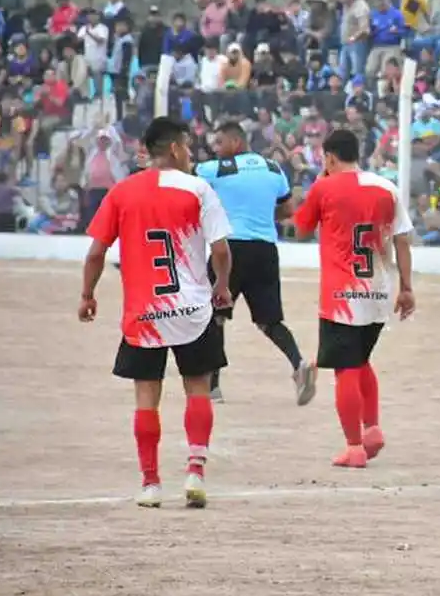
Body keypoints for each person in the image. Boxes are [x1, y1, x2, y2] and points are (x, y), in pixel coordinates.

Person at [78, 117, 233, 509]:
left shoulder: (122, 192)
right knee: (197, 386)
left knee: (147, 397)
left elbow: (96, 253)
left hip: (144, 313)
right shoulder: (198, 189)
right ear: (177, 148)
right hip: (192, 309)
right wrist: (222, 285)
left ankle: (150, 483)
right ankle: (195, 470)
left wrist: (87, 294)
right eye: (188, 146)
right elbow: (220, 250)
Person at [293, 129, 415, 469]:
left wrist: (319, 184)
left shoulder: (324, 187)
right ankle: (372, 428)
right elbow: (403, 241)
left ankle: (354, 446)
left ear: (330, 158)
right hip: (379, 290)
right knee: (361, 360)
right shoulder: (386, 187)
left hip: (342, 295)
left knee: (345, 369)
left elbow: (300, 229)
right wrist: (406, 287)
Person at [196, 121, 313, 405]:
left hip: (230, 248)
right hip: (265, 249)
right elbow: (287, 209)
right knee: (269, 321)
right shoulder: (274, 168)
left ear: (236, 142)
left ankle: (213, 387)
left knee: (215, 315)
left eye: (219, 142)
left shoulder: (214, 169)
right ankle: (298, 365)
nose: (215, 148)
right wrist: (259, 216)